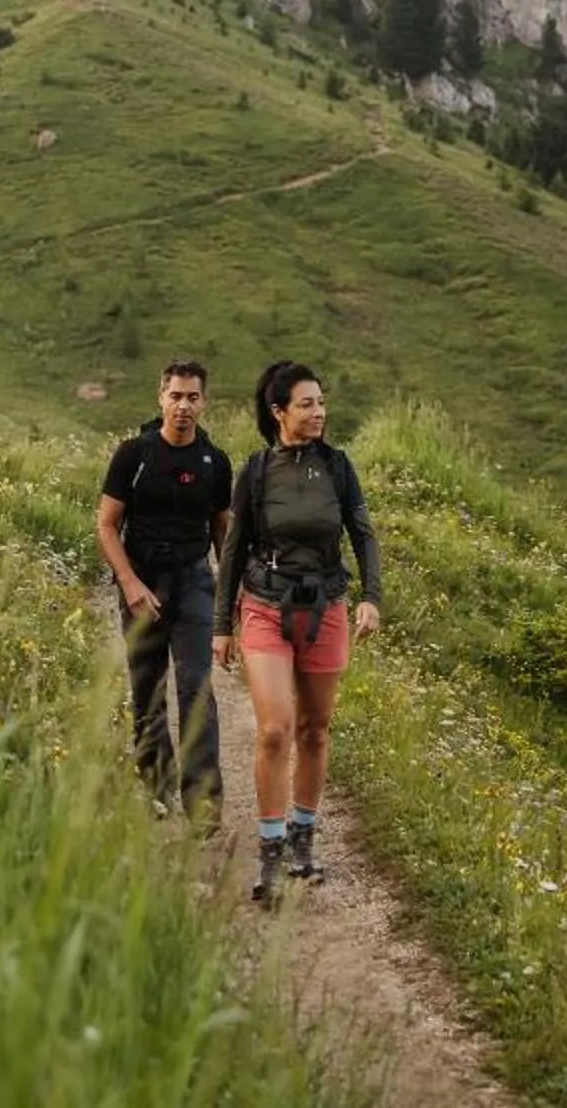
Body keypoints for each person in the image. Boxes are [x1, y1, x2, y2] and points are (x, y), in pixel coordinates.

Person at [214, 360, 383, 902]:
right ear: (279, 412)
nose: (319, 412)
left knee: (314, 729)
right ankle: (269, 849)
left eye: (321, 402)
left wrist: (371, 599)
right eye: (306, 404)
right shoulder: (256, 472)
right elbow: (234, 549)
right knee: (274, 730)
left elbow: (363, 534)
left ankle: (303, 839)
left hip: (326, 604)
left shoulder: (339, 467)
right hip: (264, 604)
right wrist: (222, 626)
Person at [96, 359, 232, 820]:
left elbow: (222, 531)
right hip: (143, 582)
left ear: (204, 402)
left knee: (197, 689)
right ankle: (157, 787)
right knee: (147, 688)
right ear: (161, 398)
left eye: (193, 397)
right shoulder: (133, 455)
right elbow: (107, 525)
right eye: (176, 396)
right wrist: (130, 583)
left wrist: (228, 600)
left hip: (194, 580)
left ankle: (205, 804)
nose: (184, 406)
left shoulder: (216, 462)